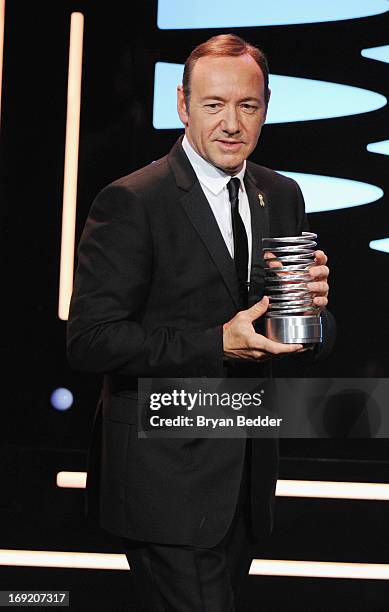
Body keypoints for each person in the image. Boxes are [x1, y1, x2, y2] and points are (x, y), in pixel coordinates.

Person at [67, 34, 334, 611]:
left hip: (244, 481)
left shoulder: (280, 194)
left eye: (248, 105)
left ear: (267, 106)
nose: (232, 123)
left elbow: (290, 334)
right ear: (182, 104)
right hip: (165, 483)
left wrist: (311, 317)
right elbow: (89, 340)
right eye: (214, 105)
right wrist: (217, 344)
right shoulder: (133, 201)